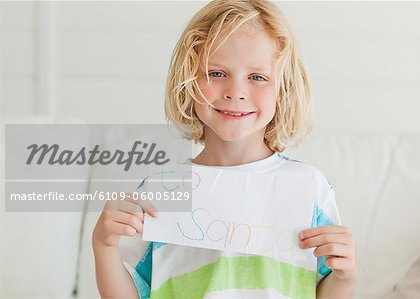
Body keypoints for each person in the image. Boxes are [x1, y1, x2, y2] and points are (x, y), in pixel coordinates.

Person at [93, 0, 358, 298]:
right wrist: (104, 247)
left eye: (257, 77)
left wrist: (345, 277)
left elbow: (325, 285)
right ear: (188, 81)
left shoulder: (308, 187)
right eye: (217, 73)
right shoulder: (163, 193)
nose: (235, 91)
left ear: (284, 89)